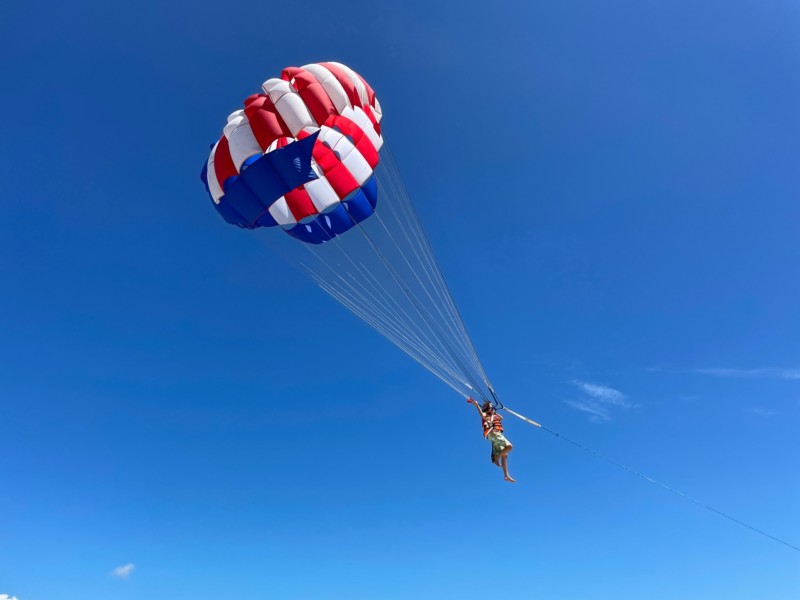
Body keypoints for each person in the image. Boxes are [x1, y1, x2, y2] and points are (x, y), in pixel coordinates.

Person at [467, 397, 516, 482]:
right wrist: (476, 405)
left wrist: (494, 412)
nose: (492, 407)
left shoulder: (494, 415)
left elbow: (501, 418)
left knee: (505, 454)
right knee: (509, 447)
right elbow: (482, 415)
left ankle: (506, 476)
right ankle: (496, 458)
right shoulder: (486, 415)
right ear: (487, 408)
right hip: (494, 433)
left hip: (496, 435)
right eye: (490, 406)